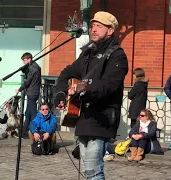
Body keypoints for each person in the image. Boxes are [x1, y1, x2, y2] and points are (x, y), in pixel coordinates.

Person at [53, 11, 128, 179]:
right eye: (93, 25)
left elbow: (108, 85)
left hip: (102, 118)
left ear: (110, 31)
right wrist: (60, 93)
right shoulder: (87, 53)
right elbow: (66, 73)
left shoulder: (117, 55)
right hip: (83, 117)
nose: (93, 29)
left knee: (94, 171)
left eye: (99, 26)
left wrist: (84, 89)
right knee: (87, 171)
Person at [15, 52, 41, 138]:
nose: (23, 62)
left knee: (33, 114)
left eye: (24, 60)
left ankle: (35, 132)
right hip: (34, 92)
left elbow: (28, 81)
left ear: (29, 59)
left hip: (32, 93)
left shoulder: (33, 68)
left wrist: (19, 89)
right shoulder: (36, 67)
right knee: (28, 113)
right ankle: (24, 132)